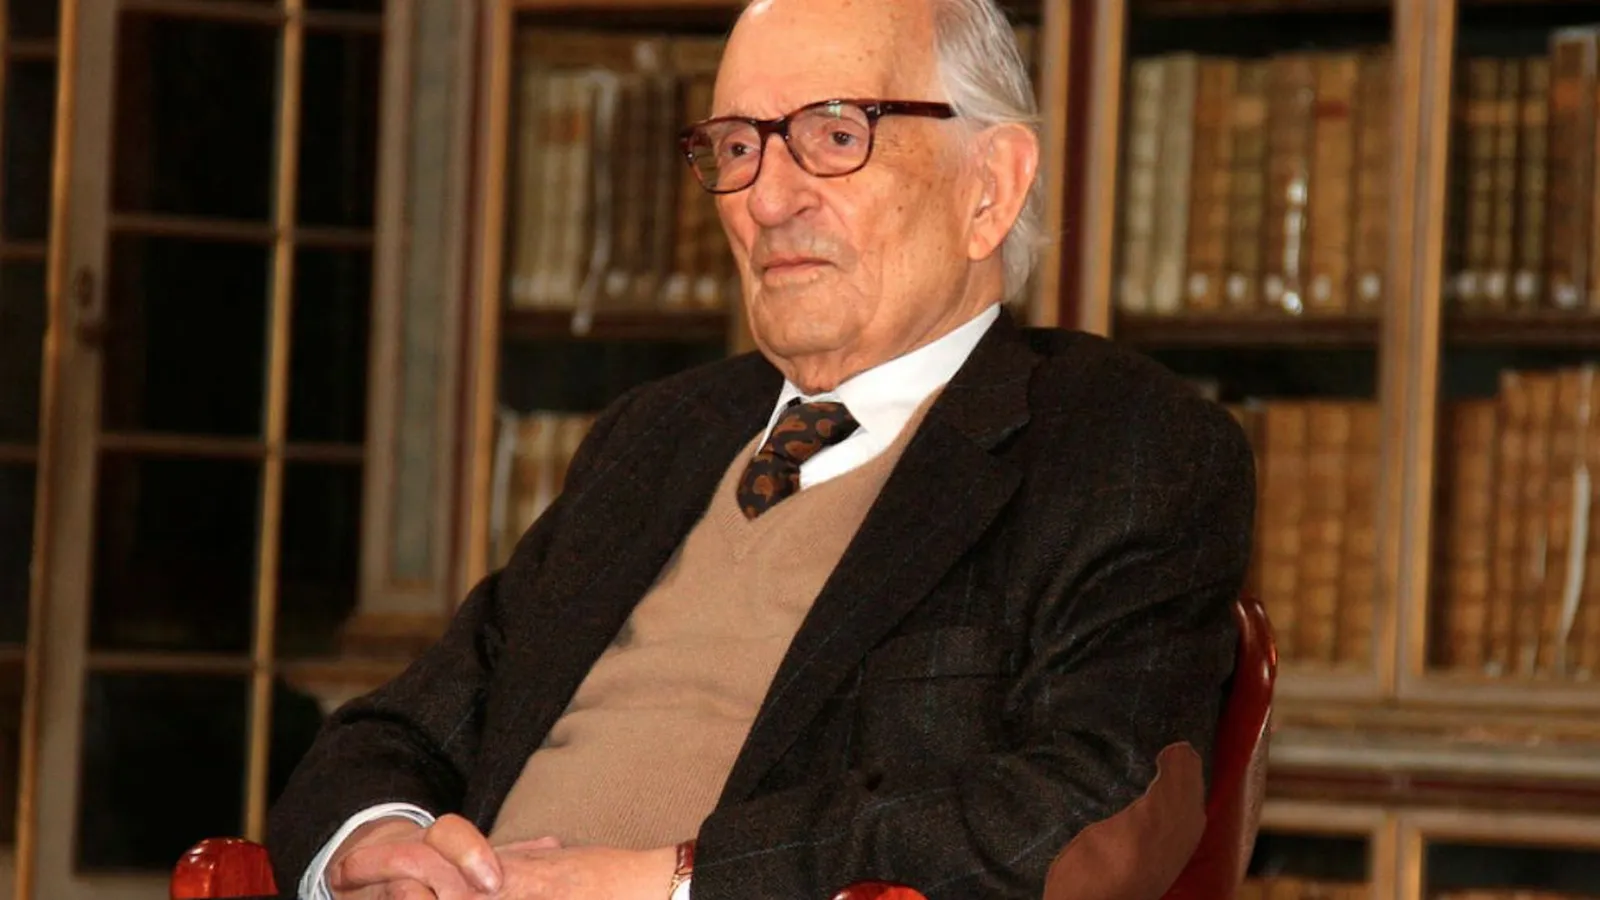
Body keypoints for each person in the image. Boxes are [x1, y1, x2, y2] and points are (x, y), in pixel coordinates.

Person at [266, 0, 1256, 896]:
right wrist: (377, 842)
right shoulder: (658, 434)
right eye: (737, 147)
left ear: (989, 189)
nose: (768, 200)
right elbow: (406, 724)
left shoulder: (1119, 446)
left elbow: (1094, 810)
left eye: (836, 135)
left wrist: (668, 886)